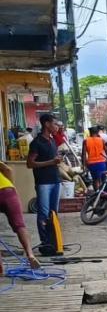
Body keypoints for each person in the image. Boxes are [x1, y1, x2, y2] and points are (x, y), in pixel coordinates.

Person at [26, 113, 63, 256]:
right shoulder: (37, 142)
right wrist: (51, 162)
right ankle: (45, 242)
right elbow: (30, 164)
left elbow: (54, 157)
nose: (56, 126)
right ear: (47, 124)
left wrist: (56, 160)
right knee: (43, 213)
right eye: (54, 123)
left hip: (55, 180)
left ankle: (54, 241)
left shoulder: (52, 140)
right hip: (43, 182)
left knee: (54, 213)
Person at [0, 159, 40, 269]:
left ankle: (0, 266)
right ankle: (30, 254)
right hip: (8, 191)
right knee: (20, 226)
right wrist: (12, 187)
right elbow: (7, 169)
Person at [82, 126, 107, 190]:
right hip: (101, 163)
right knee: (103, 179)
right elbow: (106, 151)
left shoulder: (86, 141)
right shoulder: (101, 140)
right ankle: (102, 192)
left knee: (95, 180)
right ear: (97, 132)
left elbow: (83, 154)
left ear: (90, 133)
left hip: (91, 164)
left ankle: (96, 193)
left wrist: (84, 165)